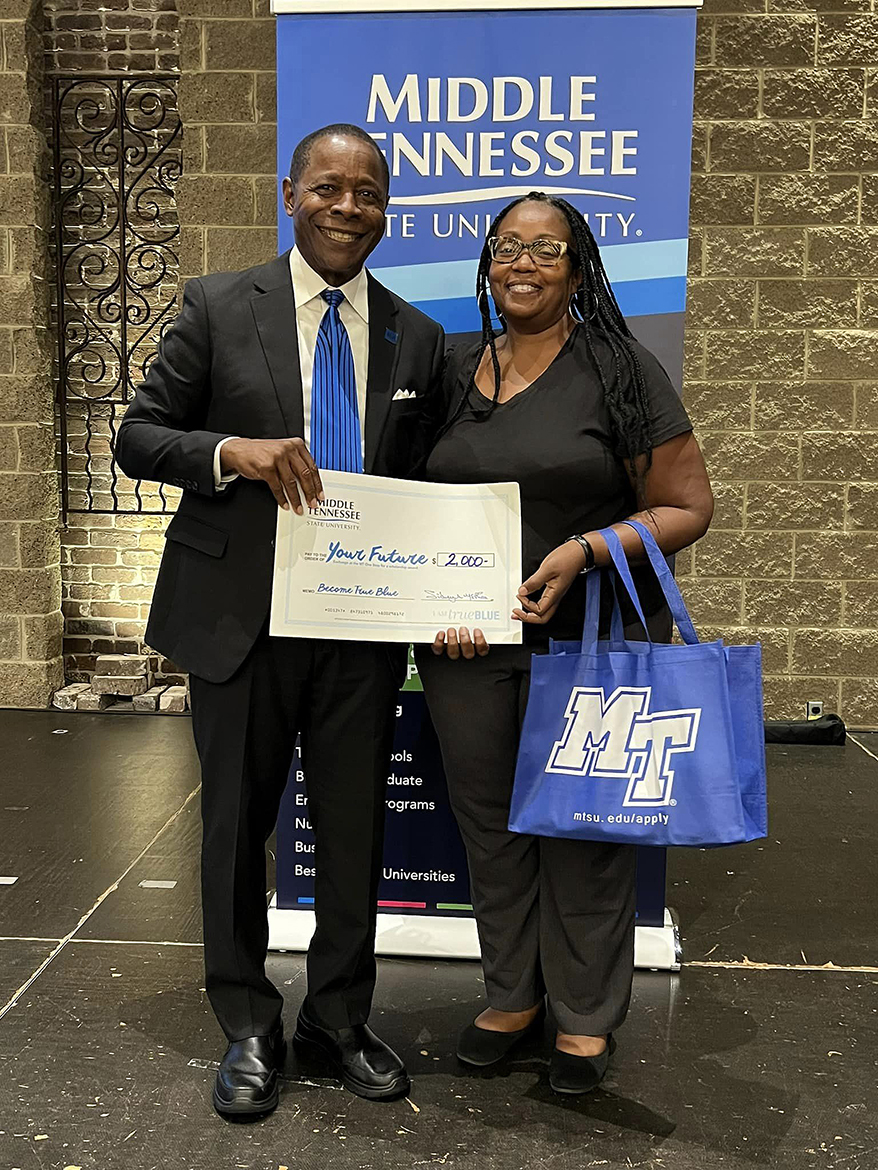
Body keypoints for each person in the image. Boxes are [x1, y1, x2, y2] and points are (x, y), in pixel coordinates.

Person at [115, 124, 444, 1115]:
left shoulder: (414, 334)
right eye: (330, 189)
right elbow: (137, 436)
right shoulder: (221, 305)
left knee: (356, 831)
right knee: (234, 831)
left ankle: (337, 1020)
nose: (349, 208)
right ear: (290, 192)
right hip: (237, 621)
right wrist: (235, 454)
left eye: (369, 194)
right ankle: (249, 1027)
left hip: (360, 624)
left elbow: (422, 489)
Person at [414, 192, 713, 1096]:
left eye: (546, 250)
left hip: (591, 640)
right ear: (486, 263)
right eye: (507, 247)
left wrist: (583, 551)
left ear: (577, 269)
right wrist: (429, 596)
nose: (523, 264)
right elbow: (414, 500)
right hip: (468, 645)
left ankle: (583, 1019)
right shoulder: (454, 367)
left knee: (584, 830)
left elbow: (687, 507)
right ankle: (512, 998)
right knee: (491, 827)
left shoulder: (620, 369)